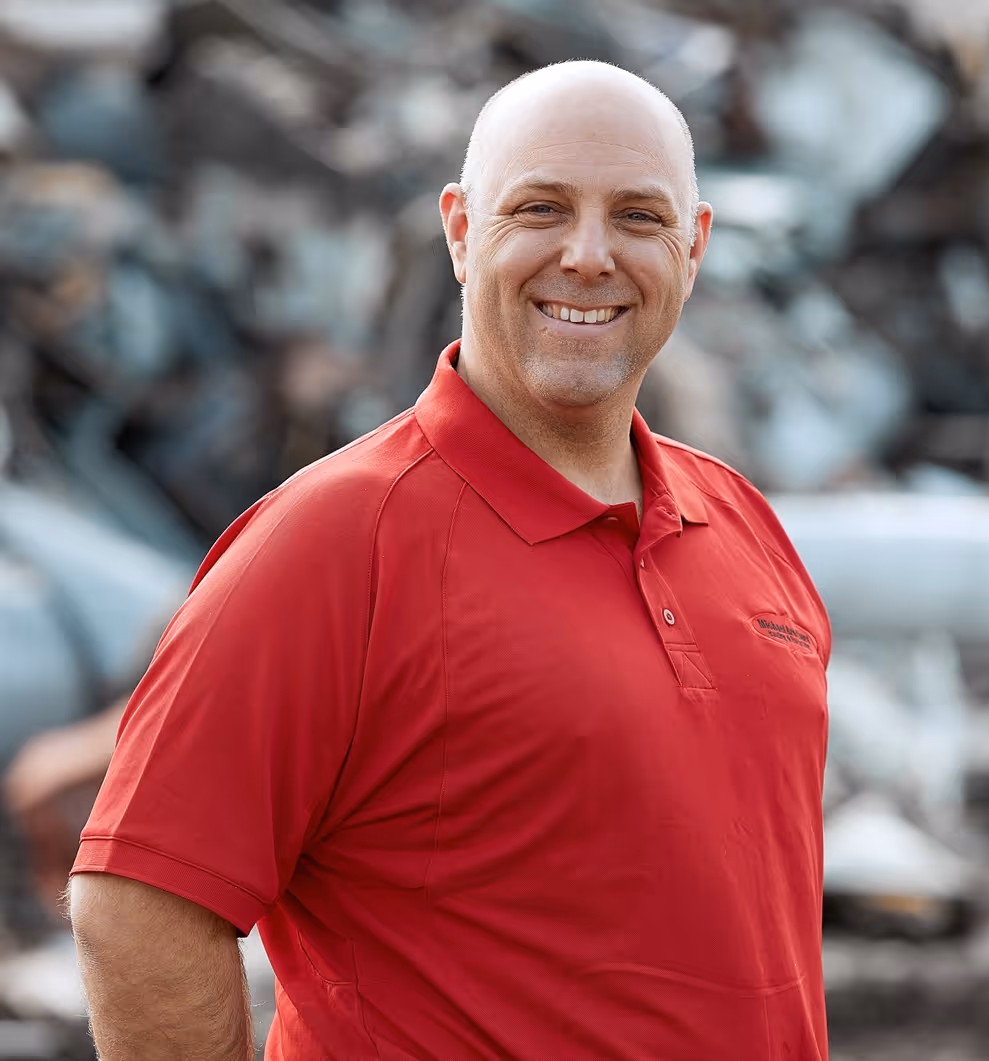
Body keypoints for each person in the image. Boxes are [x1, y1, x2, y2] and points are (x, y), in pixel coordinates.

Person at [69, 61, 831, 1060]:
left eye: (638, 216)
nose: (589, 254)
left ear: (692, 247)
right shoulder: (334, 541)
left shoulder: (741, 525)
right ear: (462, 231)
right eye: (541, 207)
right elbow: (137, 902)